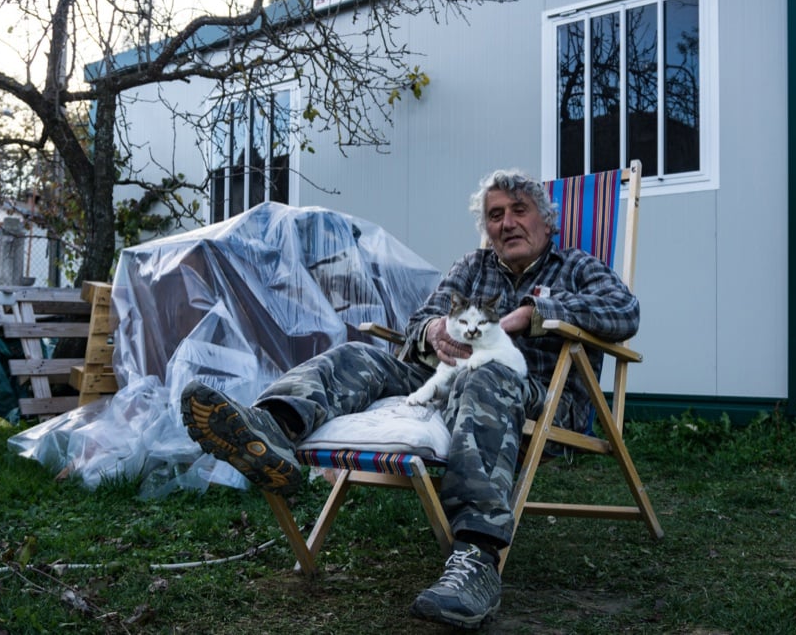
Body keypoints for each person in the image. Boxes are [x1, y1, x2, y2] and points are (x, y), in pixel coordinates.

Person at [180, 167, 639, 629]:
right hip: (442, 380)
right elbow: (419, 321)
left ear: (547, 220)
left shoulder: (578, 267)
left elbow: (625, 311)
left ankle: (477, 561)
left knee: (488, 377)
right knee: (359, 353)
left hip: (537, 393)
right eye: (495, 215)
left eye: (520, 210)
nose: (507, 223)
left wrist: (533, 313)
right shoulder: (471, 267)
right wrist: (433, 331)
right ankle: (274, 427)